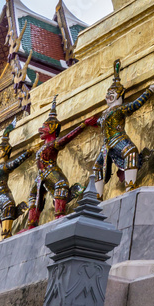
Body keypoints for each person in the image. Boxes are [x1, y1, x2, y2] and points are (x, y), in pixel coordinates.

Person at [93, 59, 154, 197]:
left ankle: (130, 185)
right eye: (108, 93)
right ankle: (98, 197)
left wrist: (150, 90)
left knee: (131, 152)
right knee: (97, 166)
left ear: (119, 95)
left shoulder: (119, 109)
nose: (108, 96)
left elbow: (135, 105)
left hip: (118, 139)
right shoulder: (105, 113)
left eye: (112, 93)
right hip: (107, 144)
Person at [27, 97, 97, 227]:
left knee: (61, 184)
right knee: (33, 196)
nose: (40, 129)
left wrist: (84, 125)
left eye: (44, 127)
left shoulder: (54, 143)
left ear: (52, 128)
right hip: (41, 176)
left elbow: (68, 137)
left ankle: (59, 213)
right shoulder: (43, 147)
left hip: (51, 171)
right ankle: (32, 222)